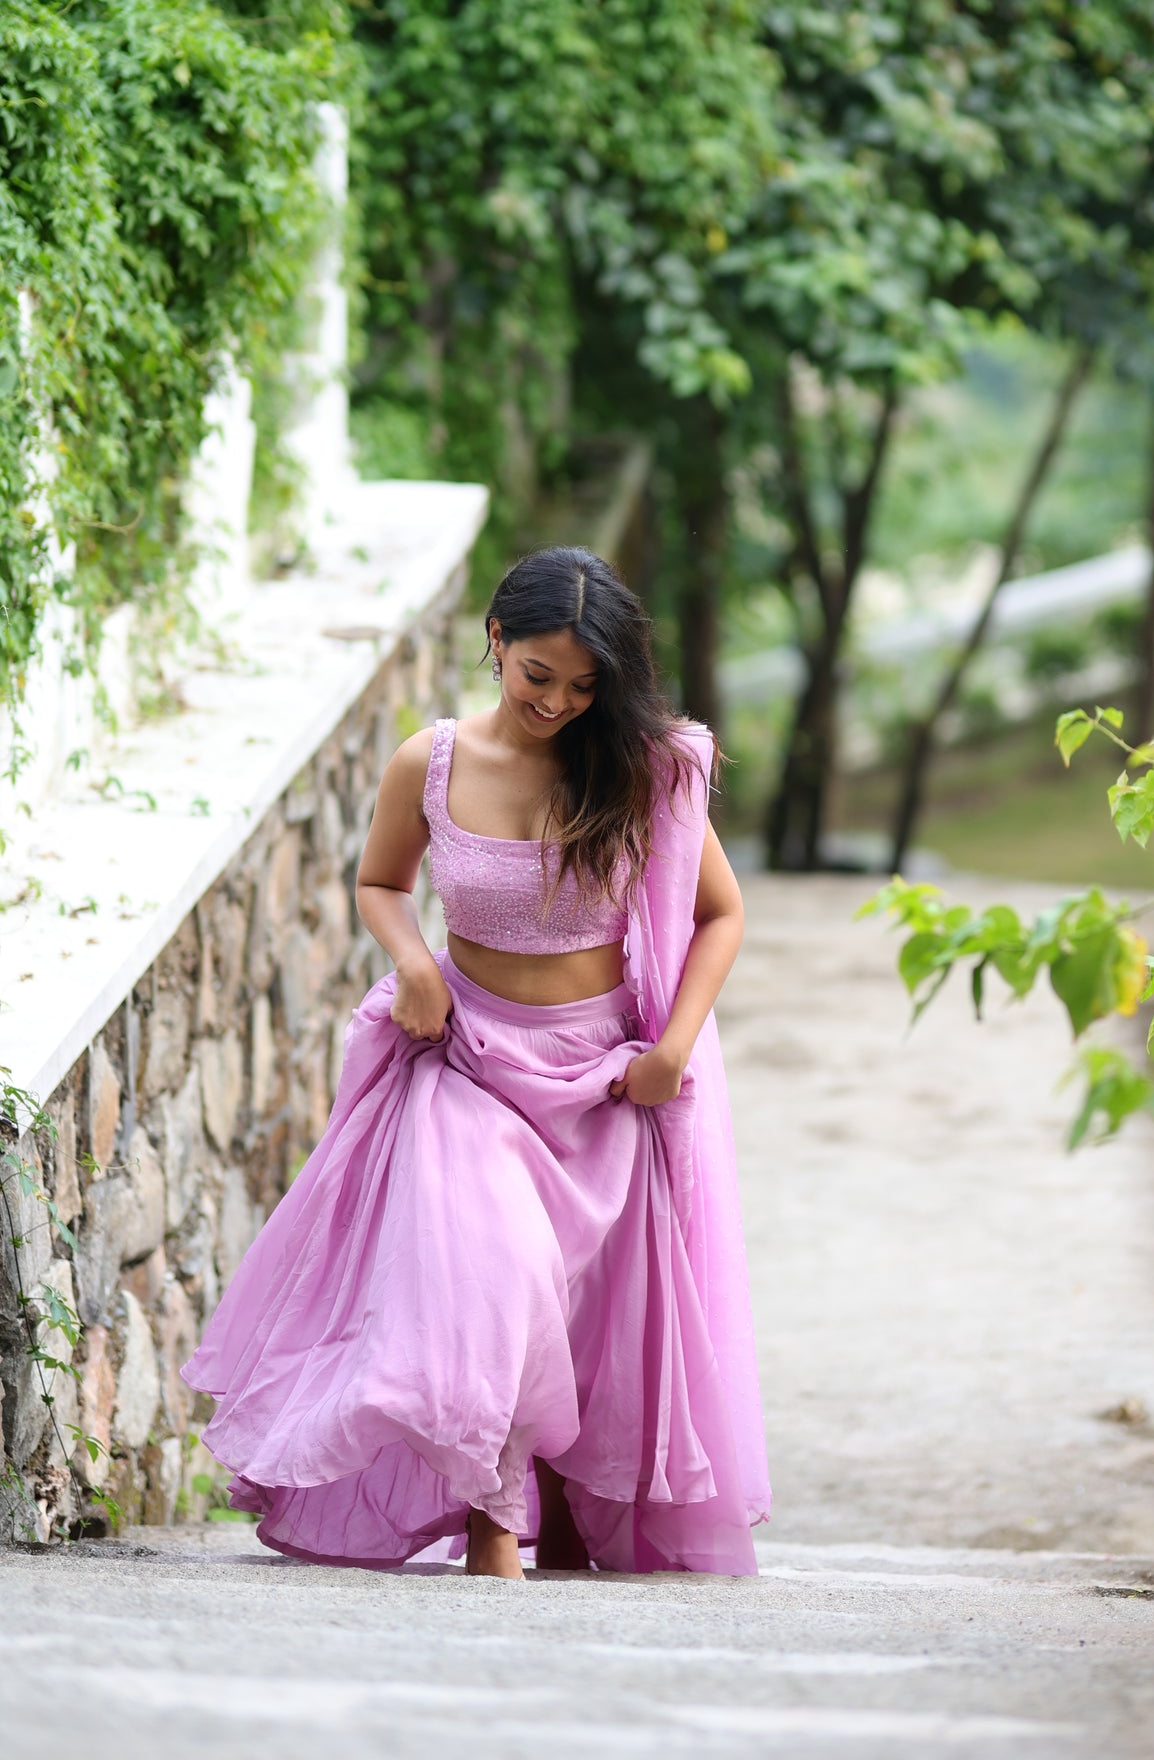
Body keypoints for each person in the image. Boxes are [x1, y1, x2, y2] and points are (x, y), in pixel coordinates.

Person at [184, 545, 769, 1578]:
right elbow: (380, 881)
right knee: (491, 1281)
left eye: (584, 684)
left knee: (578, 1325)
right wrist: (413, 962)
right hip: (467, 1066)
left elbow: (719, 913)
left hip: (599, 1082)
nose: (557, 701)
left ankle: (550, 1534)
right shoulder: (433, 761)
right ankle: (491, 1531)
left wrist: (671, 1046)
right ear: (495, 640)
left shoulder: (639, 768)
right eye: (537, 673)